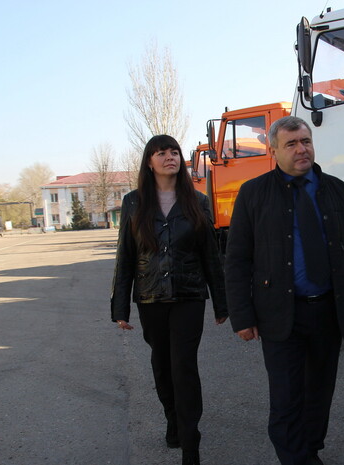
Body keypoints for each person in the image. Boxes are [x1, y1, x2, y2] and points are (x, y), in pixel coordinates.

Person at [225, 116, 344, 465]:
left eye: (306, 141)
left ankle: (310, 449)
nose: (301, 150)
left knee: (319, 394)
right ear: (274, 150)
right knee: (286, 398)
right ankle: (296, 459)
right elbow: (237, 260)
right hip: (280, 314)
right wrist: (242, 316)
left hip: (327, 311)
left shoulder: (339, 191)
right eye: (291, 144)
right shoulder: (253, 194)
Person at [110, 134, 227, 465]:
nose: (169, 157)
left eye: (174, 152)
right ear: (149, 162)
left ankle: (191, 444)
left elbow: (211, 255)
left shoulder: (197, 201)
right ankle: (173, 420)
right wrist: (120, 307)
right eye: (161, 153)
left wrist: (222, 302)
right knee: (162, 366)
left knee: (183, 366)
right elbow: (125, 256)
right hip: (150, 298)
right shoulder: (134, 202)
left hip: (189, 296)